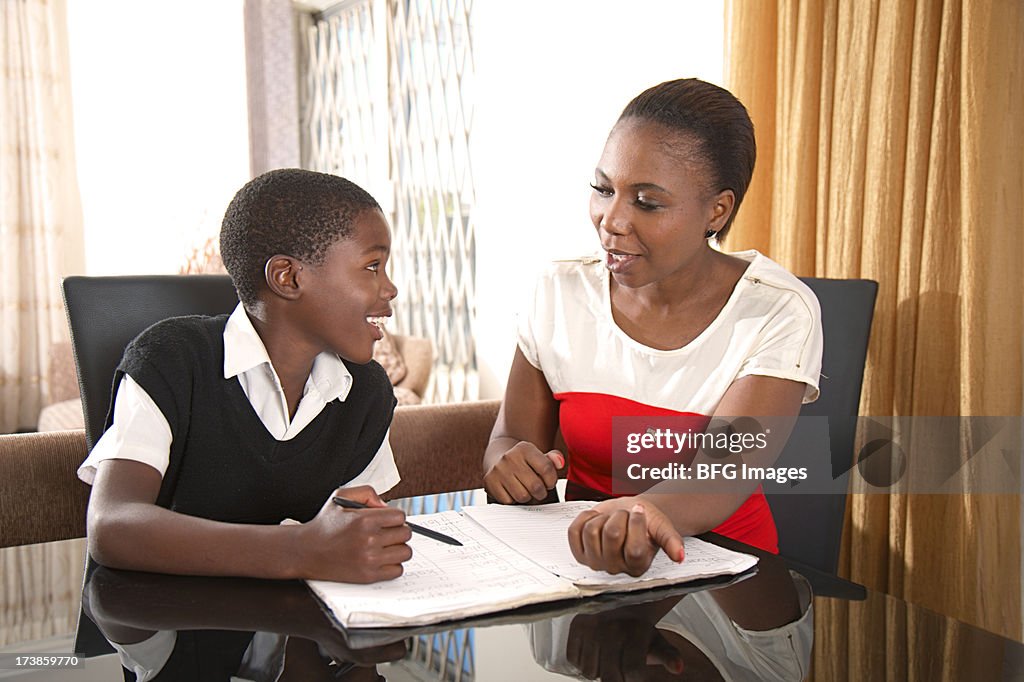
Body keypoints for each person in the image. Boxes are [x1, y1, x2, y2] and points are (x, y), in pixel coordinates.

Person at [482, 78, 824, 576]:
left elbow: (722, 473)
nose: (610, 220)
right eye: (603, 189)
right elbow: (510, 437)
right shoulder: (557, 292)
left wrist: (640, 513)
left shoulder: (777, 310)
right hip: (576, 566)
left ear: (717, 210)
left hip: (727, 583)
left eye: (646, 202)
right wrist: (506, 465)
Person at [78, 168, 412, 584]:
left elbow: (352, 530)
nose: (390, 287)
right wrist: (301, 550)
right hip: (174, 631)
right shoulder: (172, 360)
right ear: (288, 278)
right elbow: (113, 526)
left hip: (306, 631)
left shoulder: (366, 391)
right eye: (373, 266)